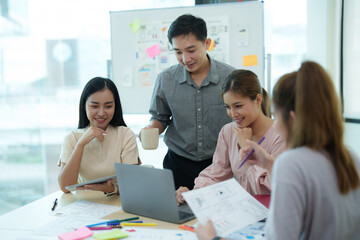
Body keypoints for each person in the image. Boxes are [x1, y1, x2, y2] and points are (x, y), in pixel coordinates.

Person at [195, 61, 360, 240]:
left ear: (292, 118)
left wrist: (212, 238)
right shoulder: (350, 156)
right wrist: (267, 162)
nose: (275, 122)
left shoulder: (292, 162)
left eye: (276, 114)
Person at [142, 14, 235, 189]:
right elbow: (160, 118)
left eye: (191, 50)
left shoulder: (230, 78)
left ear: (207, 44)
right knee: (178, 214)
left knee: (216, 216)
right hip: (178, 165)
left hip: (220, 166)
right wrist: (151, 129)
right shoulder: (165, 79)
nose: (185, 59)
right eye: (178, 52)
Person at [176, 69, 286, 204]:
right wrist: (194, 194)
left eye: (238, 106)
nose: (233, 114)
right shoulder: (228, 132)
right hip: (242, 212)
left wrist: (246, 148)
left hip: (273, 215)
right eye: (227, 107)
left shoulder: (281, 135)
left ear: (258, 99)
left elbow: (268, 188)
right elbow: (216, 176)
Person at [58, 77, 140, 195]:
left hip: (118, 203)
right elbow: (65, 187)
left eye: (108, 106)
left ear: (115, 107)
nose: (101, 113)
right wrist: (81, 144)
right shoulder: (72, 138)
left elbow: (133, 184)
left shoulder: (125, 135)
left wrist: (111, 189)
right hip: (83, 205)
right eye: (95, 106)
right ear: (84, 106)